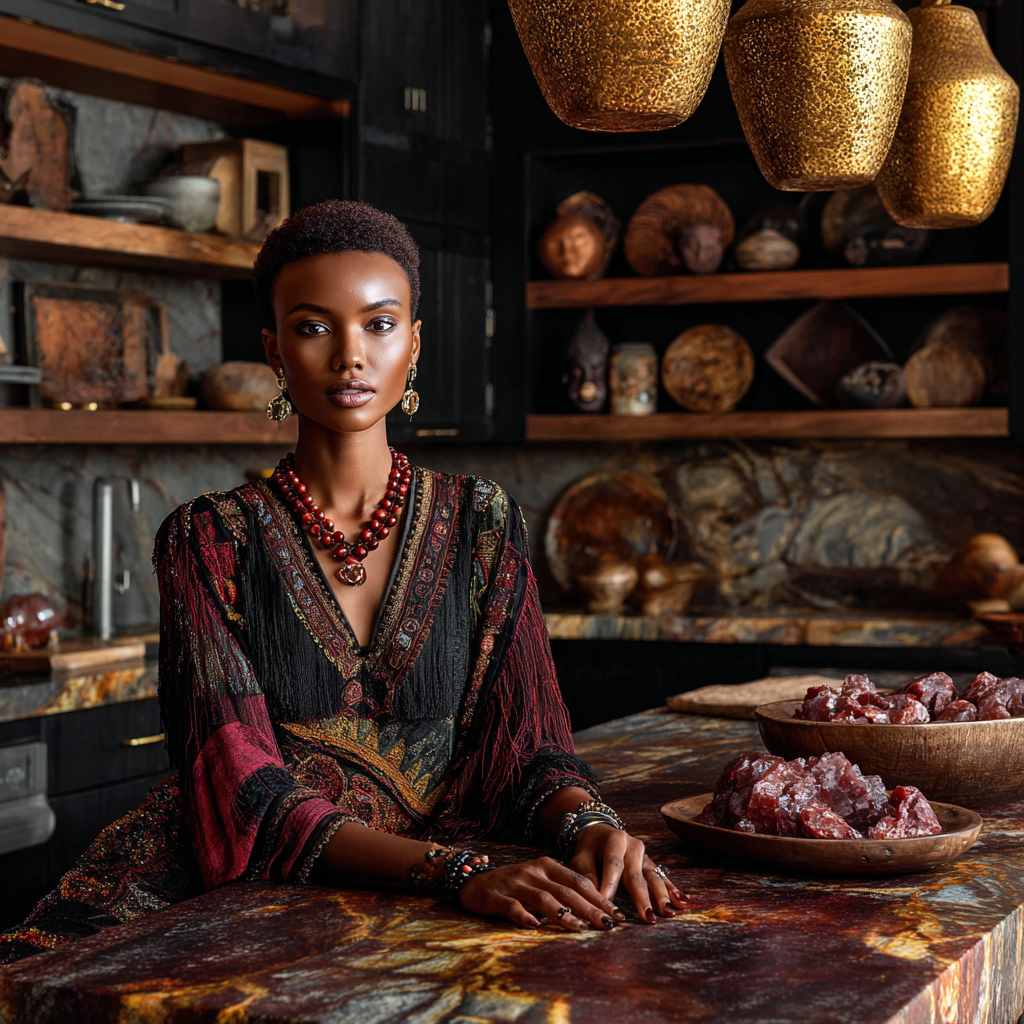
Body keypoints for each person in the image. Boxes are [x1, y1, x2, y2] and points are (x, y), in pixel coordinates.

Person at [0, 201, 686, 964]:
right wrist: (456, 872)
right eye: (315, 326)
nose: (350, 356)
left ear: (414, 345)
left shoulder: (482, 521)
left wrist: (588, 826)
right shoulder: (208, 539)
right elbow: (241, 787)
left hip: (431, 905)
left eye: (379, 324)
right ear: (274, 349)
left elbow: (526, 750)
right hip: (225, 887)